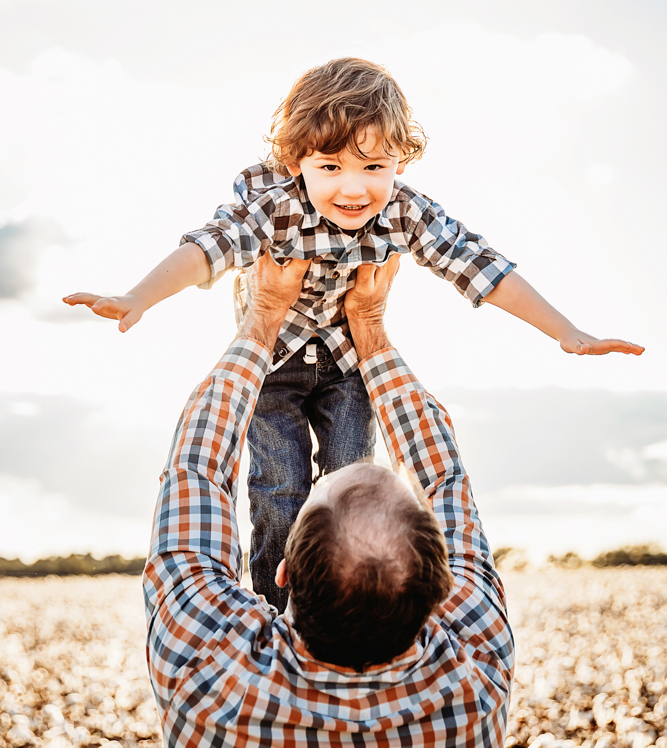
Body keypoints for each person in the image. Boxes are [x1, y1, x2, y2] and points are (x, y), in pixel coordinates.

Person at [65, 57, 643, 610]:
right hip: (274, 364)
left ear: (400, 161)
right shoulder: (274, 206)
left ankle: (347, 601)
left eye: (374, 167)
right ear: (297, 163)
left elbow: (478, 265)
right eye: (331, 167)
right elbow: (208, 249)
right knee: (280, 488)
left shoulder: (406, 213)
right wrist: (137, 295)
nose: (354, 188)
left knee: (350, 489)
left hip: (348, 364)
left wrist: (565, 331)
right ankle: (275, 603)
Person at [143, 251, 515, 748]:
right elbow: (446, 482)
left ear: (284, 574)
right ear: (442, 588)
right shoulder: (476, 673)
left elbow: (195, 473)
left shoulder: (208, 675)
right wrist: (369, 326)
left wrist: (263, 316)